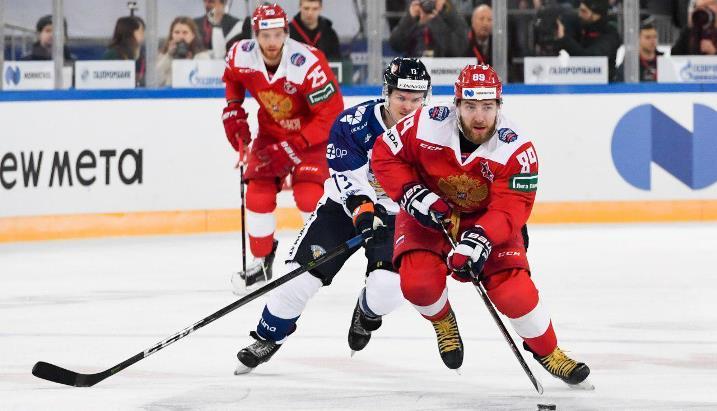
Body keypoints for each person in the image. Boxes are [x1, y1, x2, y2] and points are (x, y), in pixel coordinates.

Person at [370, 64, 592, 388]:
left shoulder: (516, 147)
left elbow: (513, 204)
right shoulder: (425, 123)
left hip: (486, 219)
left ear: (499, 105)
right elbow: (385, 154)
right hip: (430, 211)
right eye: (470, 106)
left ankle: (548, 351)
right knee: (418, 283)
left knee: (514, 293)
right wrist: (412, 193)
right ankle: (442, 320)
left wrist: (481, 238)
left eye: (487, 107)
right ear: (456, 104)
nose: (479, 117)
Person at [232, 58, 432, 374]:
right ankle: (268, 336)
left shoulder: (435, 132)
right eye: (401, 97)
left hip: (399, 214)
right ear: (387, 92)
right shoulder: (353, 124)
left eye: (416, 99)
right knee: (298, 278)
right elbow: (349, 181)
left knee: (387, 288)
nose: (408, 107)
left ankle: (367, 311)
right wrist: (365, 215)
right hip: (343, 208)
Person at [222, 3, 344, 288]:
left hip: (310, 138)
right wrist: (233, 109)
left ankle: (317, 256)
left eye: (278, 35)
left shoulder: (307, 62)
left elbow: (331, 113)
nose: (272, 42)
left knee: (309, 196)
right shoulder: (240, 54)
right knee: (257, 194)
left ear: (286, 33)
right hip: (272, 134)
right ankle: (261, 261)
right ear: (255, 35)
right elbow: (233, 80)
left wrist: (294, 146)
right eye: (265, 36)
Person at [554, 0, 621, 81]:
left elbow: (590, 60)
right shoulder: (583, 26)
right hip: (579, 80)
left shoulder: (609, 34)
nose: (579, 14)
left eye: (583, 11)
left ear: (596, 14)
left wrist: (564, 39)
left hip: (603, 84)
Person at [389, 0, 469, 57]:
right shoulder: (414, 11)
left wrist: (435, 20)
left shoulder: (448, 9)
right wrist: (409, 19)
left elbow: (459, 49)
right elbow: (396, 45)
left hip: (444, 69)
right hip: (415, 68)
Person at [157, 17, 211, 87]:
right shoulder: (163, 55)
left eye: (185, 33)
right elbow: (155, 80)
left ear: (193, 35)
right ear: (171, 35)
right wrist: (169, 56)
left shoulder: (202, 56)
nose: (181, 36)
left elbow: (205, 81)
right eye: (177, 32)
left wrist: (189, 63)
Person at [104, 16, 146, 87]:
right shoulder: (113, 54)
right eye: (140, 31)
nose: (143, 35)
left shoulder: (141, 53)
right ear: (130, 33)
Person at [617, 16, 662, 82]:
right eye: (647, 37)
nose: (653, 41)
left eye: (655, 37)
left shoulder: (664, 62)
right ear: (638, 39)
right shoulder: (628, 66)